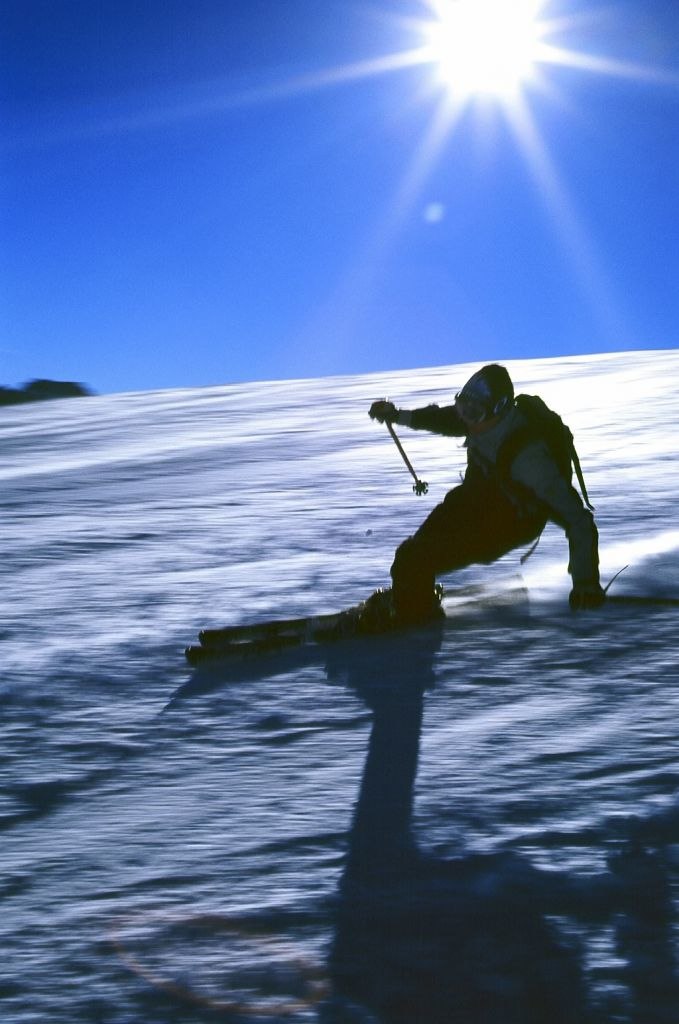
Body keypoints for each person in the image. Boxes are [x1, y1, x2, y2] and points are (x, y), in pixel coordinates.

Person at [368, 363, 605, 626]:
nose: (466, 417)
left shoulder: (528, 459)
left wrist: (586, 584)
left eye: (473, 412)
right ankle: (412, 589)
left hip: (509, 522)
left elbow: (578, 520)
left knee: (412, 559)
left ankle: (414, 613)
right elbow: (444, 419)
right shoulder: (481, 420)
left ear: (498, 409)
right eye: (463, 407)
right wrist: (397, 415)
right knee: (414, 552)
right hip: (478, 499)